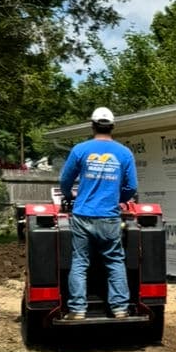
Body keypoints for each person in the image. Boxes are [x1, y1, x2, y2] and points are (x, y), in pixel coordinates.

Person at [58, 107, 139, 320]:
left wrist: (69, 195)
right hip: (109, 216)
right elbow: (131, 186)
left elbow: (65, 180)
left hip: (82, 214)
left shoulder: (80, 150)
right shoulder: (124, 153)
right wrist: (119, 199)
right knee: (114, 261)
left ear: (92, 125)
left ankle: (77, 310)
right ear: (113, 126)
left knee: (80, 262)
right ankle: (120, 308)